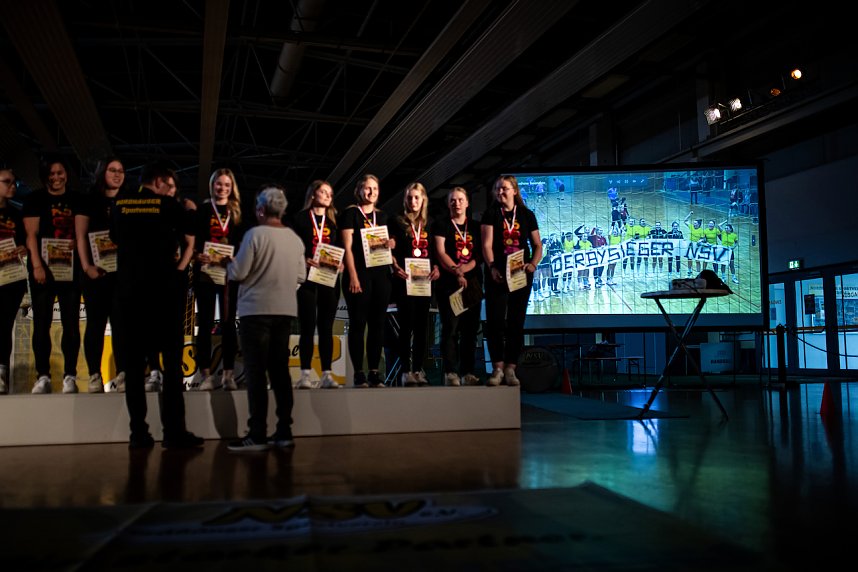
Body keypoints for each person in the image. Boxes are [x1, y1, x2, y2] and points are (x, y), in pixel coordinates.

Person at [111, 162, 203, 449]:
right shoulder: (167, 205)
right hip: (163, 294)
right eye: (170, 184)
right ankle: (174, 432)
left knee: (135, 367)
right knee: (172, 366)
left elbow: (113, 237)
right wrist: (189, 209)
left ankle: (139, 432)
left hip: (129, 295)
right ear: (161, 181)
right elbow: (195, 229)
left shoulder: (121, 203)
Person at [226, 185, 306, 451]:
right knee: (280, 372)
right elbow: (301, 277)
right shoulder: (295, 240)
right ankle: (285, 430)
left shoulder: (254, 235)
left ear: (260, 210)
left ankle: (257, 432)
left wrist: (226, 261)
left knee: (257, 373)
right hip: (284, 311)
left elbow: (238, 272)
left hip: (255, 310)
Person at [23, 157, 83, 394]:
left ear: (67, 174)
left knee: (71, 325)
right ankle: (43, 376)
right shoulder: (34, 199)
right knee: (41, 324)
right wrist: (36, 265)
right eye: (51, 173)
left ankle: (70, 375)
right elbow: (30, 236)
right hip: (43, 270)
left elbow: (83, 233)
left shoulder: (77, 200)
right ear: (45, 176)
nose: (56, 177)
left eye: (60, 172)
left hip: (70, 269)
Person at [481, 175, 542, 387]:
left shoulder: (526, 214)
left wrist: (533, 264)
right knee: (495, 321)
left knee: (516, 322)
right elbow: (487, 245)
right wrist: (491, 267)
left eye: (504, 188)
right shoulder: (490, 214)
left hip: (520, 274)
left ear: (514, 191)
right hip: (497, 275)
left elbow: (537, 245)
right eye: (497, 189)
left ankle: (510, 369)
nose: (500, 192)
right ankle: (497, 368)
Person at [74, 157, 126, 394]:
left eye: (121, 171)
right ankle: (95, 375)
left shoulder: (128, 200)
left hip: (121, 274)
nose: (117, 175)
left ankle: (123, 374)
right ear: (101, 173)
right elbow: (81, 235)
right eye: (112, 170)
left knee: (122, 324)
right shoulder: (88, 200)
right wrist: (87, 267)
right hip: (95, 273)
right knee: (95, 324)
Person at [340, 174, 394, 388]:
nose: (371, 192)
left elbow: (386, 244)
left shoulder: (382, 217)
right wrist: (352, 275)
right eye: (367, 188)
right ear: (359, 190)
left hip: (381, 275)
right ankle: (359, 374)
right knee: (358, 324)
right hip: (359, 274)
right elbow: (347, 248)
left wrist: (391, 243)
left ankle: (374, 372)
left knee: (378, 325)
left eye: (375, 188)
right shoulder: (350, 213)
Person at [193, 168, 243, 391]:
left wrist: (236, 256)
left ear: (232, 188)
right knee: (204, 325)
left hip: (229, 275)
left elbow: (245, 244)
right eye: (219, 184)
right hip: (205, 273)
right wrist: (196, 254)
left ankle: (228, 375)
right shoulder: (203, 210)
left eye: (227, 185)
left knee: (228, 324)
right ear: (212, 185)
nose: (222, 188)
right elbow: (191, 242)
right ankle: (205, 375)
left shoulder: (238, 213)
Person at [290, 180, 341, 390]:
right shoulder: (300, 219)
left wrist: (340, 264)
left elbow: (340, 248)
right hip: (308, 279)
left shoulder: (333, 222)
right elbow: (293, 248)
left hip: (329, 280)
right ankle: (304, 374)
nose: (328, 196)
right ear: (313, 194)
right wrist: (303, 259)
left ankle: (327, 374)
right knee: (308, 327)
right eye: (323, 192)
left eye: (330, 193)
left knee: (326, 328)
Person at [390, 182, 439, 386]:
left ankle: (418, 370)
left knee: (421, 328)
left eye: (417, 197)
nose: (413, 201)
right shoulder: (397, 221)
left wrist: (437, 268)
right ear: (405, 200)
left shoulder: (431, 224)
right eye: (409, 197)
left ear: (423, 200)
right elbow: (389, 250)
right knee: (406, 327)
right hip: (405, 281)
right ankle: (405, 371)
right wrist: (394, 266)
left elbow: (436, 251)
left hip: (425, 282)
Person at [432, 187, 482, 386]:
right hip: (448, 284)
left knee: (470, 331)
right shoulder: (441, 225)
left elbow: (480, 254)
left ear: (467, 203)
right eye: (453, 200)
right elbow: (440, 252)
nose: (457, 203)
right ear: (448, 203)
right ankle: (451, 372)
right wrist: (457, 271)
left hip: (473, 284)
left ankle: (468, 372)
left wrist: (467, 268)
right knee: (450, 329)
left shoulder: (476, 227)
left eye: (461, 199)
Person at [0, 168, 27, 394]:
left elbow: (25, 243)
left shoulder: (17, 215)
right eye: (7, 182)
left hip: (11, 279)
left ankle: (1, 373)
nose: (13, 186)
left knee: (4, 327)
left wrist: (23, 248)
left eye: (14, 182)